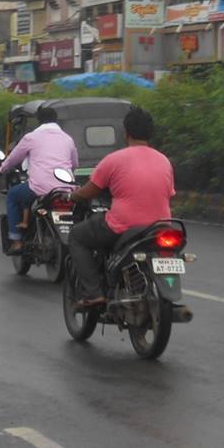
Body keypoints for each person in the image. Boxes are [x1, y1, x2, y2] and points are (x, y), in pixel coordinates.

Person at [67, 106, 175, 305]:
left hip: (123, 225)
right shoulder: (164, 161)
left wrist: (72, 196)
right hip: (161, 226)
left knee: (76, 237)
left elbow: (89, 191)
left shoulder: (114, 159)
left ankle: (93, 293)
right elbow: (168, 193)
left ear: (126, 134)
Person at [0, 107, 79, 253]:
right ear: (56, 120)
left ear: (39, 120)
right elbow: (74, 164)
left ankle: (16, 241)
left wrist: (1, 169)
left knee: (13, 195)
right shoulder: (68, 139)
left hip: (39, 187)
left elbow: (14, 158)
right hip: (65, 188)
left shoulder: (31, 137)